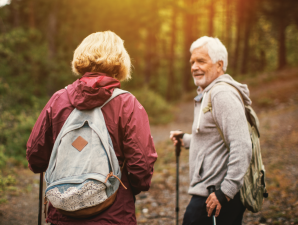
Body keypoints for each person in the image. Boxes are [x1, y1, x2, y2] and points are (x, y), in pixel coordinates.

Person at [26, 31, 157, 225]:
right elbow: (142, 167)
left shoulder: (58, 100)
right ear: (120, 61)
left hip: (63, 213)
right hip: (113, 214)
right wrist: (125, 187)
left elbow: (36, 158)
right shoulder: (127, 103)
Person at [170, 36, 252, 225]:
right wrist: (187, 140)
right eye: (192, 62)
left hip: (216, 196)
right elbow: (215, 137)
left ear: (219, 64)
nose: (194, 67)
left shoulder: (222, 94)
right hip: (210, 193)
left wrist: (226, 192)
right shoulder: (208, 92)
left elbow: (242, 144)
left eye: (201, 61)